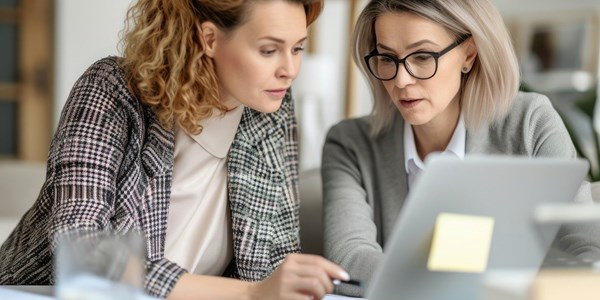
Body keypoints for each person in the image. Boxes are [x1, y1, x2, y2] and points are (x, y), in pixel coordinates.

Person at [0, 0, 350, 299]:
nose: (289, 70)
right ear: (209, 38)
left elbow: (277, 257)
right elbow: (82, 251)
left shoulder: (271, 109)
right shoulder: (111, 92)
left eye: (298, 48)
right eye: (269, 50)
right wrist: (253, 293)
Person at [322, 0, 600, 296]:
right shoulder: (349, 143)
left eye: (423, 56)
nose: (401, 80)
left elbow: (588, 247)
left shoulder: (530, 123)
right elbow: (348, 256)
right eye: (387, 58)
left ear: (469, 53)